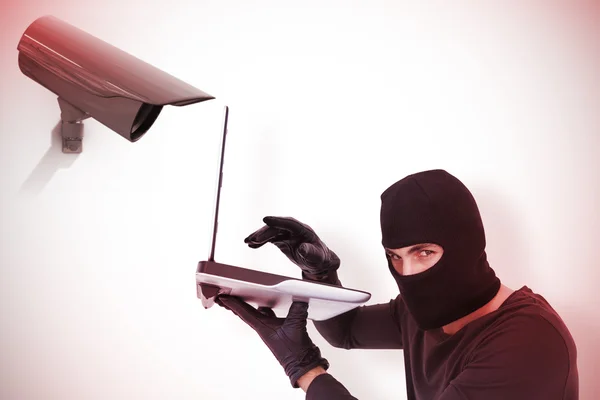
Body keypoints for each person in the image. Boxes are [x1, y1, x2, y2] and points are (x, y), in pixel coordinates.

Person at [216, 169, 579, 399]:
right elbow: (346, 331)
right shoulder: (419, 314)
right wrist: (319, 276)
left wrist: (305, 370)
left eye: (424, 252)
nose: (407, 272)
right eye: (395, 256)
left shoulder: (530, 341)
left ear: (467, 243)